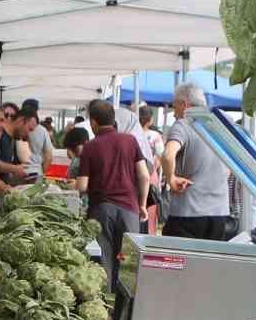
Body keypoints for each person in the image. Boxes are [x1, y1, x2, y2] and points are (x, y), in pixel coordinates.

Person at [75, 99, 149, 285]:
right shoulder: (130, 141)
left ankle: (107, 309)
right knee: (128, 263)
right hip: (129, 210)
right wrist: (142, 204)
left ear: (93, 123)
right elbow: (144, 176)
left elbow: (82, 185)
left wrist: (71, 187)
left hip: (102, 210)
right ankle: (127, 308)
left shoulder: (90, 147)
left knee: (105, 262)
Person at [161, 82, 232, 241]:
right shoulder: (223, 123)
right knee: (210, 263)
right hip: (219, 212)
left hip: (188, 212)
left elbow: (167, 155)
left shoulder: (183, 124)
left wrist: (171, 179)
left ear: (184, 104)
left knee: (180, 263)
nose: (173, 113)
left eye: (175, 106)